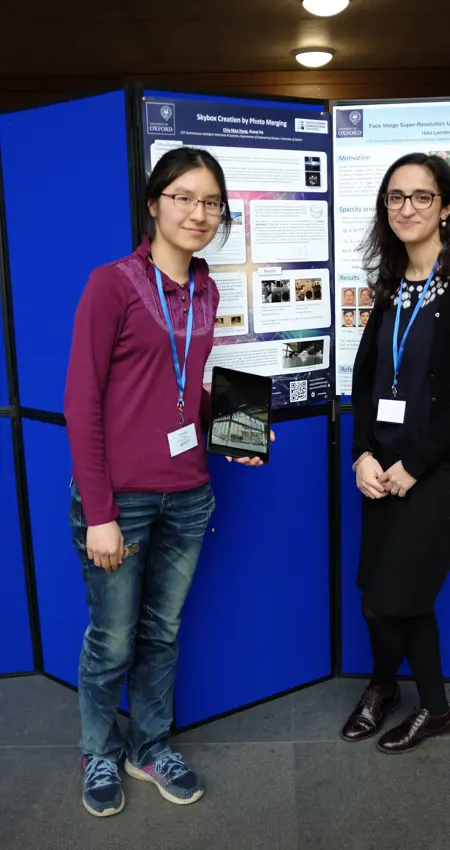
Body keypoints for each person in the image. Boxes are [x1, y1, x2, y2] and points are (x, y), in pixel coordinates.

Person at [65, 146, 273, 818]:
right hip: (118, 502)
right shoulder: (113, 284)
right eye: (183, 196)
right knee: (114, 638)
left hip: (188, 494)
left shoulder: (206, 289)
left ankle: (148, 746)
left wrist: (237, 430)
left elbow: (186, 393)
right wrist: (99, 512)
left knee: (162, 633)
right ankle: (99, 748)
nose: (198, 212)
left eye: (211, 202)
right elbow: (83, 403)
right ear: (154, 203)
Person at [342, 152, 450, 754]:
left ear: (446, 208)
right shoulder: (390, 288)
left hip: (433, 474)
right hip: (379, 470)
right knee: (379, 598)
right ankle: (400, 692)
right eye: (396, 197)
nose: (407, 208)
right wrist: (361, 453)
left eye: (422, 196)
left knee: (395, 600)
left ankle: (417, 700)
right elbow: (364, 383)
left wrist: (414, 465)